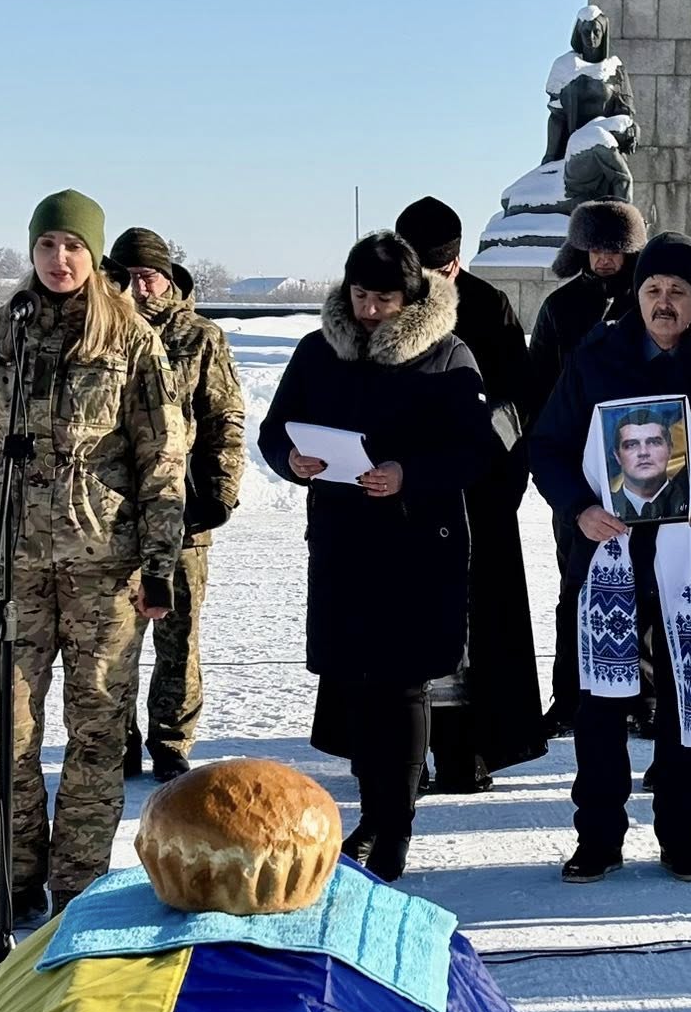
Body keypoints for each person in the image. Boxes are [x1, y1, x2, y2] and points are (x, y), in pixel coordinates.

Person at [0, 190, 185, 931]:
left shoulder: (131, 340)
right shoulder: (1, 331)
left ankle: (79, 886)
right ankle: (10, 881)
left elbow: (162, 459)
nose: (59, 259)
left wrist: (160, 562)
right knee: (6, 727)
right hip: (11, 564)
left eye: (73, 246)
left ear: (94, 254)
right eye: (48, 245)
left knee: (98, 728)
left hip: (103, 566)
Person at [530, 235, 691, 884]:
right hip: (610, 554)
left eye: (678, 292)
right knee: (600, 704)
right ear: (637, 296)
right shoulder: (598, 355)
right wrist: (580, 508)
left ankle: (681, 835)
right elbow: (549, 448)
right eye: (653, 290)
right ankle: (598, 839)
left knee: (685, 706)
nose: (664, 302)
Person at [258, 233, 496, 882]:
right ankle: (372, 810)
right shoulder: (317, 352)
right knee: (358, 687)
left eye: (383, 300)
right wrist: (292, 461)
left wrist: (407, 472)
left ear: (409, 297)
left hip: (420, 546)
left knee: (405, 685)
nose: (369, 310)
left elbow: (477, 452)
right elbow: (274, 429)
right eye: (360, 296)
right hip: (344, 543)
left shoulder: (448, 356)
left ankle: (398, 826)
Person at [395, 197, 548, 792]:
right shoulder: (385, 302)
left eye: (443, 271)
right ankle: (402, 753)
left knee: (475, 634)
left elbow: (522, 399)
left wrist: (486, 458)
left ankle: (466, 751)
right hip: (402, 495)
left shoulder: (490, 306)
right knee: (407, 630)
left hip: (474, 497)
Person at [107, 227, 246, 784]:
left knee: (178, 633)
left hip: (182, 511)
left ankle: (171, 738)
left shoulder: (199, 337)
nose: (139, 288)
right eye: (127, 276)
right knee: (111, 636)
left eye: (148, 276)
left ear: (167, 278)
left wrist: (219, 491)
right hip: (111, 513)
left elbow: (224, 419)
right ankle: (117, 739)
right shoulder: (101, 331)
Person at [527, 200, 649, 737]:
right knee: (575, 586)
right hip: (579, 475)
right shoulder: (559, 307)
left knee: (644, 584)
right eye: (596, 248)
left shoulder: (651, 300)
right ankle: (570, 694)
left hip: (644, 465)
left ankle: (642, 696)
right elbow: (536, 387)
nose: (604, 259)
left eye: (614, 249)